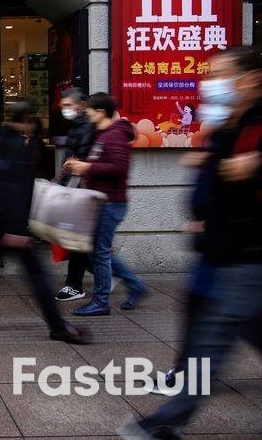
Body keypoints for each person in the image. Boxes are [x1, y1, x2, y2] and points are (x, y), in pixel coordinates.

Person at [119, 47, 262, 438]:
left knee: (213, 338)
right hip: (218, 250)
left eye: (221, 75)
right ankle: (178, 385)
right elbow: (220, 180)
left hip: (247, 254)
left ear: (250, 79)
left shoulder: (256, 126)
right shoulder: (227, 125)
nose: (210, 83)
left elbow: (238, 177)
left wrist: (234, 167)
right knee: (217, 326)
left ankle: (164, 423)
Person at [0, 101, 90, 345]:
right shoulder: (16, 146)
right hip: (12, 224)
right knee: (38, 277)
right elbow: (12, 189)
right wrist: (17, 229)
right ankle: (58, 327)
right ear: (26, 120)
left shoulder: (0, 142)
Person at [65, 93, 148, 316]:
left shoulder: (114, 135)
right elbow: (102, 163)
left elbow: (120, 168)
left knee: (100, 252)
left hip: (111, 202)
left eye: (89, 111)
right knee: (99, 250)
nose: (86, 114)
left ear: (101, 112)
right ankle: (135, 286)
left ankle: (101, 301)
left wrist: (87, 168)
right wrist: (80, 165)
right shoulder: (103, 135)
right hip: (103, 201)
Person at [55, 87, 96, 301]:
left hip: (81, 190)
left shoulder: (86, 126)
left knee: (77, 240)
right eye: (63, 105)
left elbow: (81, 158)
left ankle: (74, 285)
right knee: (80, 240)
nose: (65, 109)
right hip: (76, 188)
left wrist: (68, 173)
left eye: (69, 105)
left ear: (81, 105)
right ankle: (108, 272)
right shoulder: (78, 125)